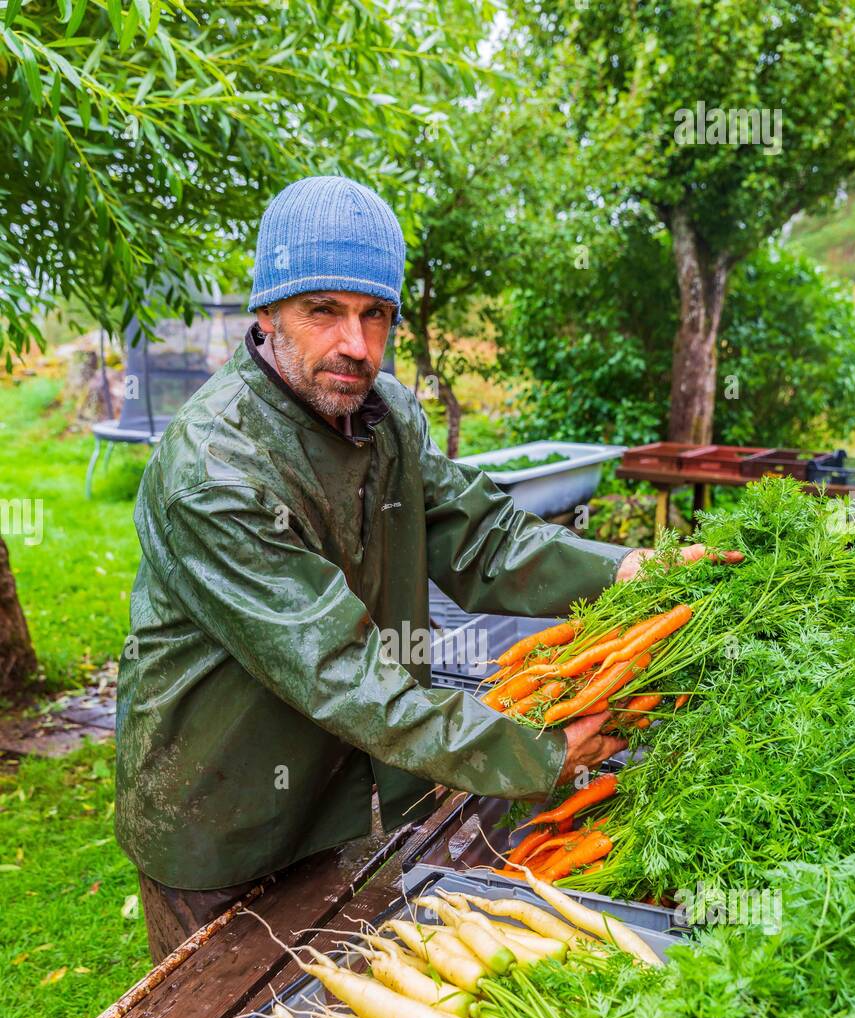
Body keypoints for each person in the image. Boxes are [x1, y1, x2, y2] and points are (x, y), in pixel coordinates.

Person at [115, 176, 739, 961]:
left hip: (337, 787)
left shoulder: (388, 416)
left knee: (334, 996)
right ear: (267, 313)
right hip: (219, 809)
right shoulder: (214, 470)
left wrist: (631, 570)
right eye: (325, 311)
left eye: (376, 314)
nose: (358, 344)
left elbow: (481, 539)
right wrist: (535, 752)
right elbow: (340, 671)